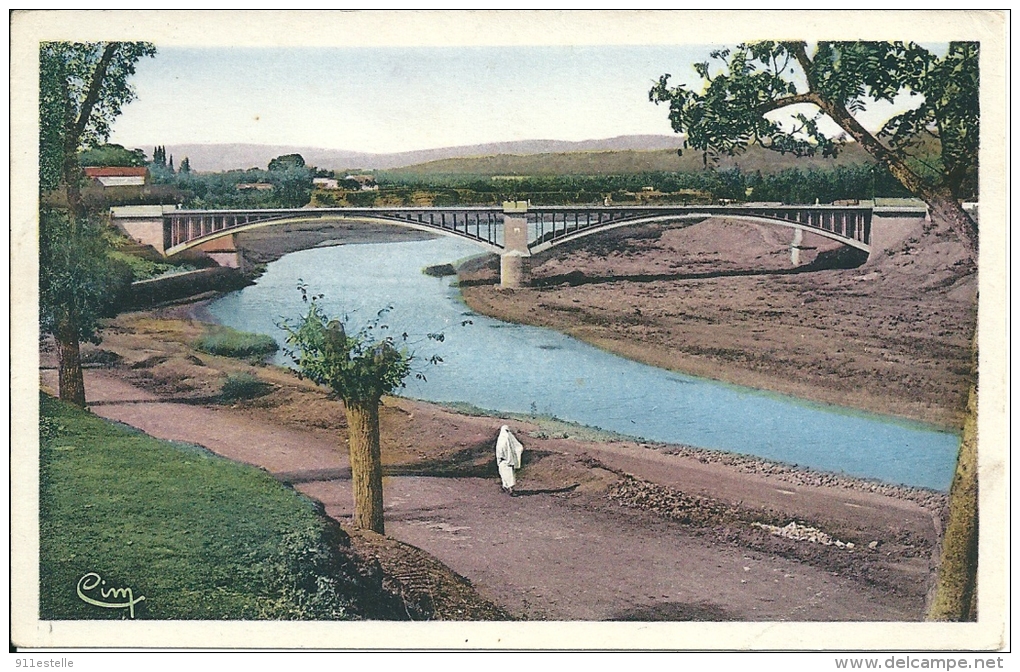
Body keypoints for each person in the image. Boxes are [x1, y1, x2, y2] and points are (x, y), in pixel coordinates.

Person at [495, 425, 524, 496]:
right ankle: (510, 489)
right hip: (507, 461)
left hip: (503, 461)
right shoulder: (508, 438)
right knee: (509, 476)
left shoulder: (500, 440)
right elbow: (518, 447)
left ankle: (506, 487)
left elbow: (499, 452)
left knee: (506, 475)